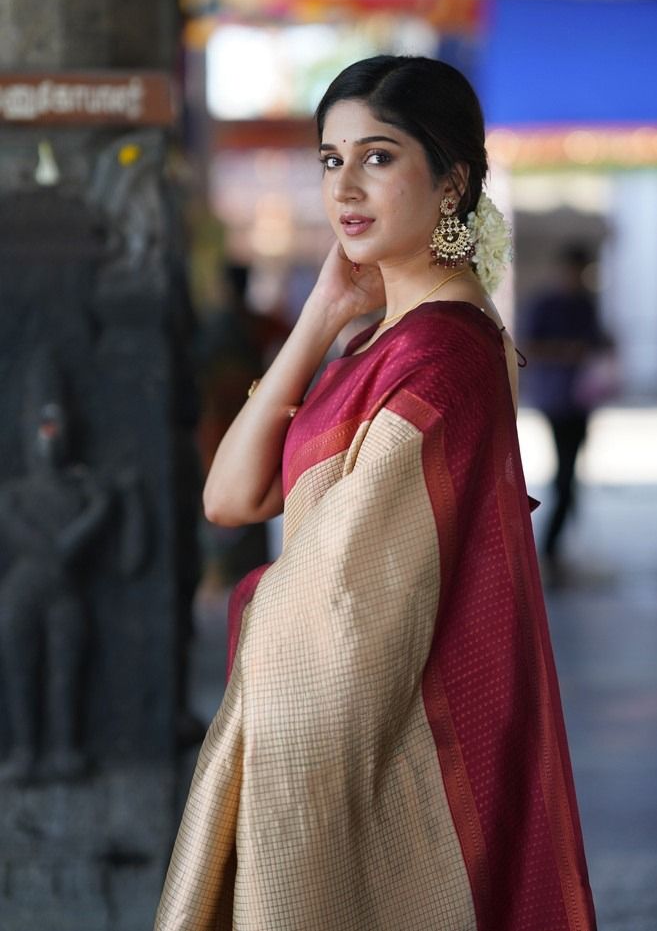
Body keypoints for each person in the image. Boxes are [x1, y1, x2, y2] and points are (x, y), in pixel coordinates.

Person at [154, 56, 596, 931]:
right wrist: (321, 316)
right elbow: (232, 499)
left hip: (382, 743)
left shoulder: (445, 356)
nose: (344, 186)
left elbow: (339, 600)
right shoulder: (379, 339)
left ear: (450, 182)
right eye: (329, 159)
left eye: (379, 157)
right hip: (343, 724)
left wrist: (267, 609)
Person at [522, 245, 615, 573]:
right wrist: (567, 351)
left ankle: (558, 543)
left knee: (571, 471)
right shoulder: (546, 304)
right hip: (555, 398)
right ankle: (550, 547)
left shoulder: (585, 304)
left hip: (580, 398)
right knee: (564, 474)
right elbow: (528, 346)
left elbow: (598, 341)